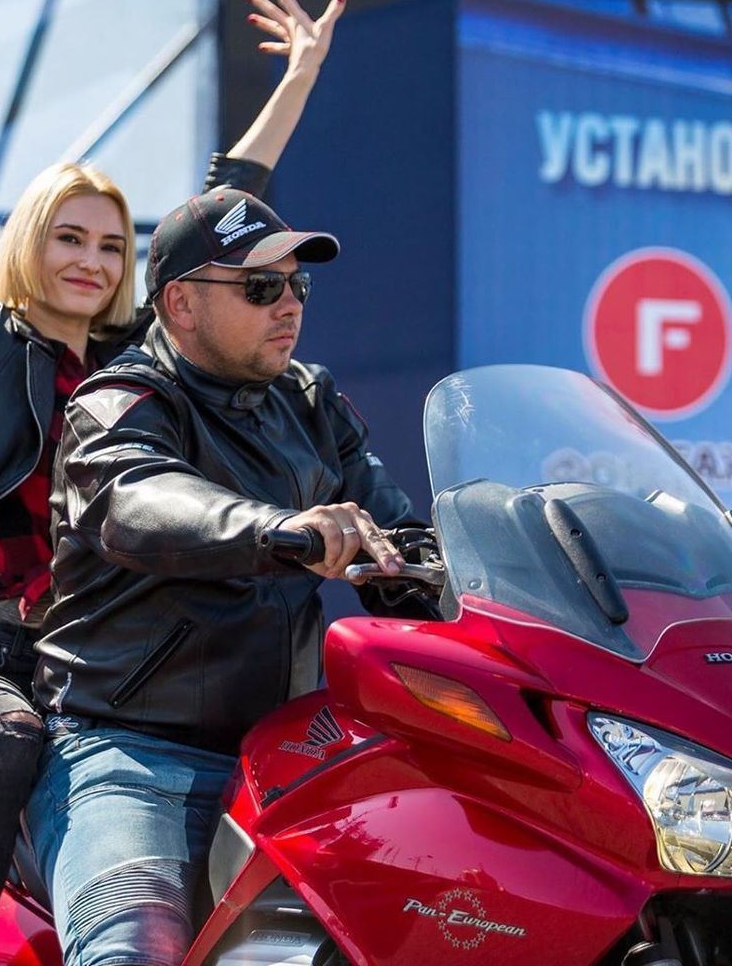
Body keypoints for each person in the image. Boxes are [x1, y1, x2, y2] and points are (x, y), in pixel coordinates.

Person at [0, 0, 345, 964]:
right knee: (6, 744)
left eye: (112, 245)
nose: (92, 260)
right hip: (3, 654)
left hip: (120, 659)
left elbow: (224, 214)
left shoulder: (146, 358)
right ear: (30, 246)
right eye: (69, 237)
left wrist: (298, 82)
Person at [25, 185, 433, 966]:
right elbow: (138, 502)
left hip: (291, 760)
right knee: (131, 953)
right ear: (180, 303)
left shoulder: (309, 402)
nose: (290, 303)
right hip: (129, 756)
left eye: (297, 283)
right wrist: (282, 531)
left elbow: (400, 536)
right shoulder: (120, 402)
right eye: (259, 286)